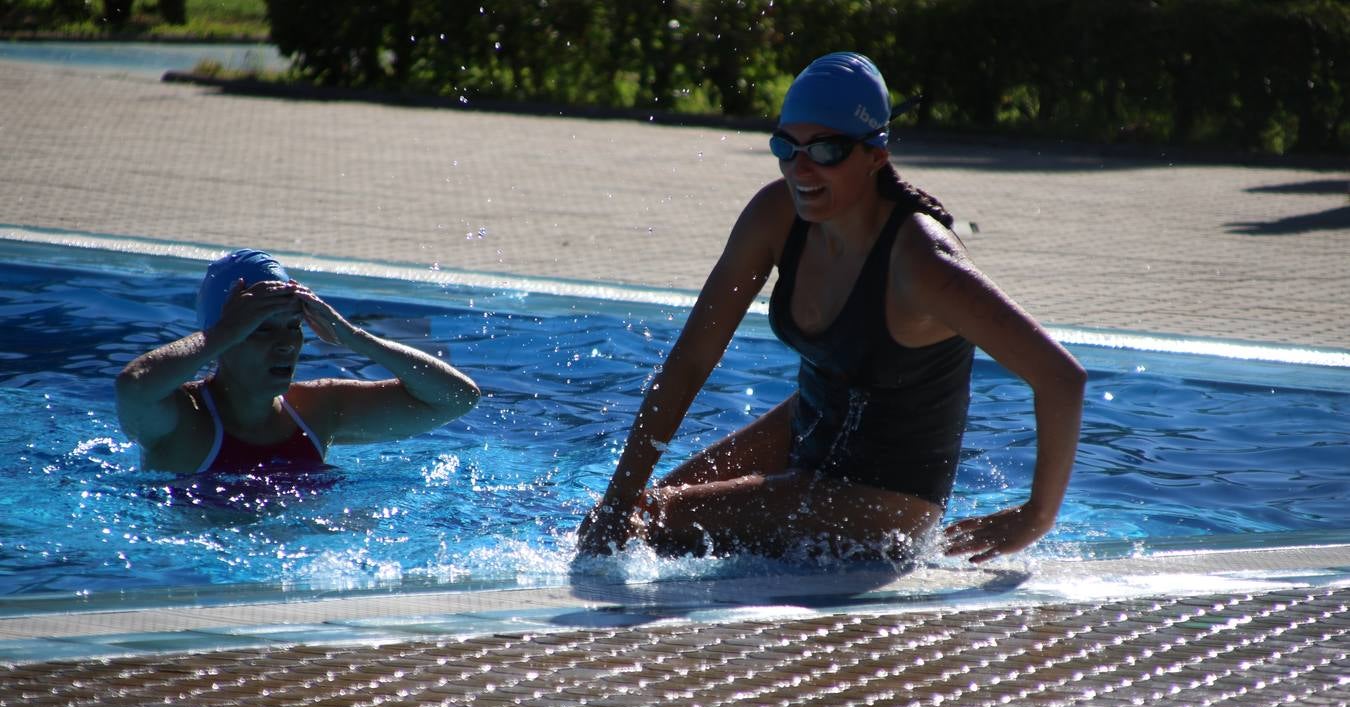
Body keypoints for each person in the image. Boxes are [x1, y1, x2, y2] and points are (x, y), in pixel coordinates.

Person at [578, 52, 1085, 564]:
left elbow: (1060, 377)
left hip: (891, 500)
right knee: (632, 515)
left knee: (656, 528)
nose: (801, 168)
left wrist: (1035, 516)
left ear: (875, 155)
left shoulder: (922, 265)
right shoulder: (776, 216)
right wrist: (617, 498)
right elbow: (690, 361)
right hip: (811, 430)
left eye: (826, 150)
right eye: (787, 146)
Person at [116, 249, 480, 474]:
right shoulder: (181, 419)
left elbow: (457, 398)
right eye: (260, 330)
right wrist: (225, 331)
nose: (285, 345)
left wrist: (355, 337)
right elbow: (134, 385)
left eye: (293, 326)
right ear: (223, 337)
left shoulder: (318, 409)